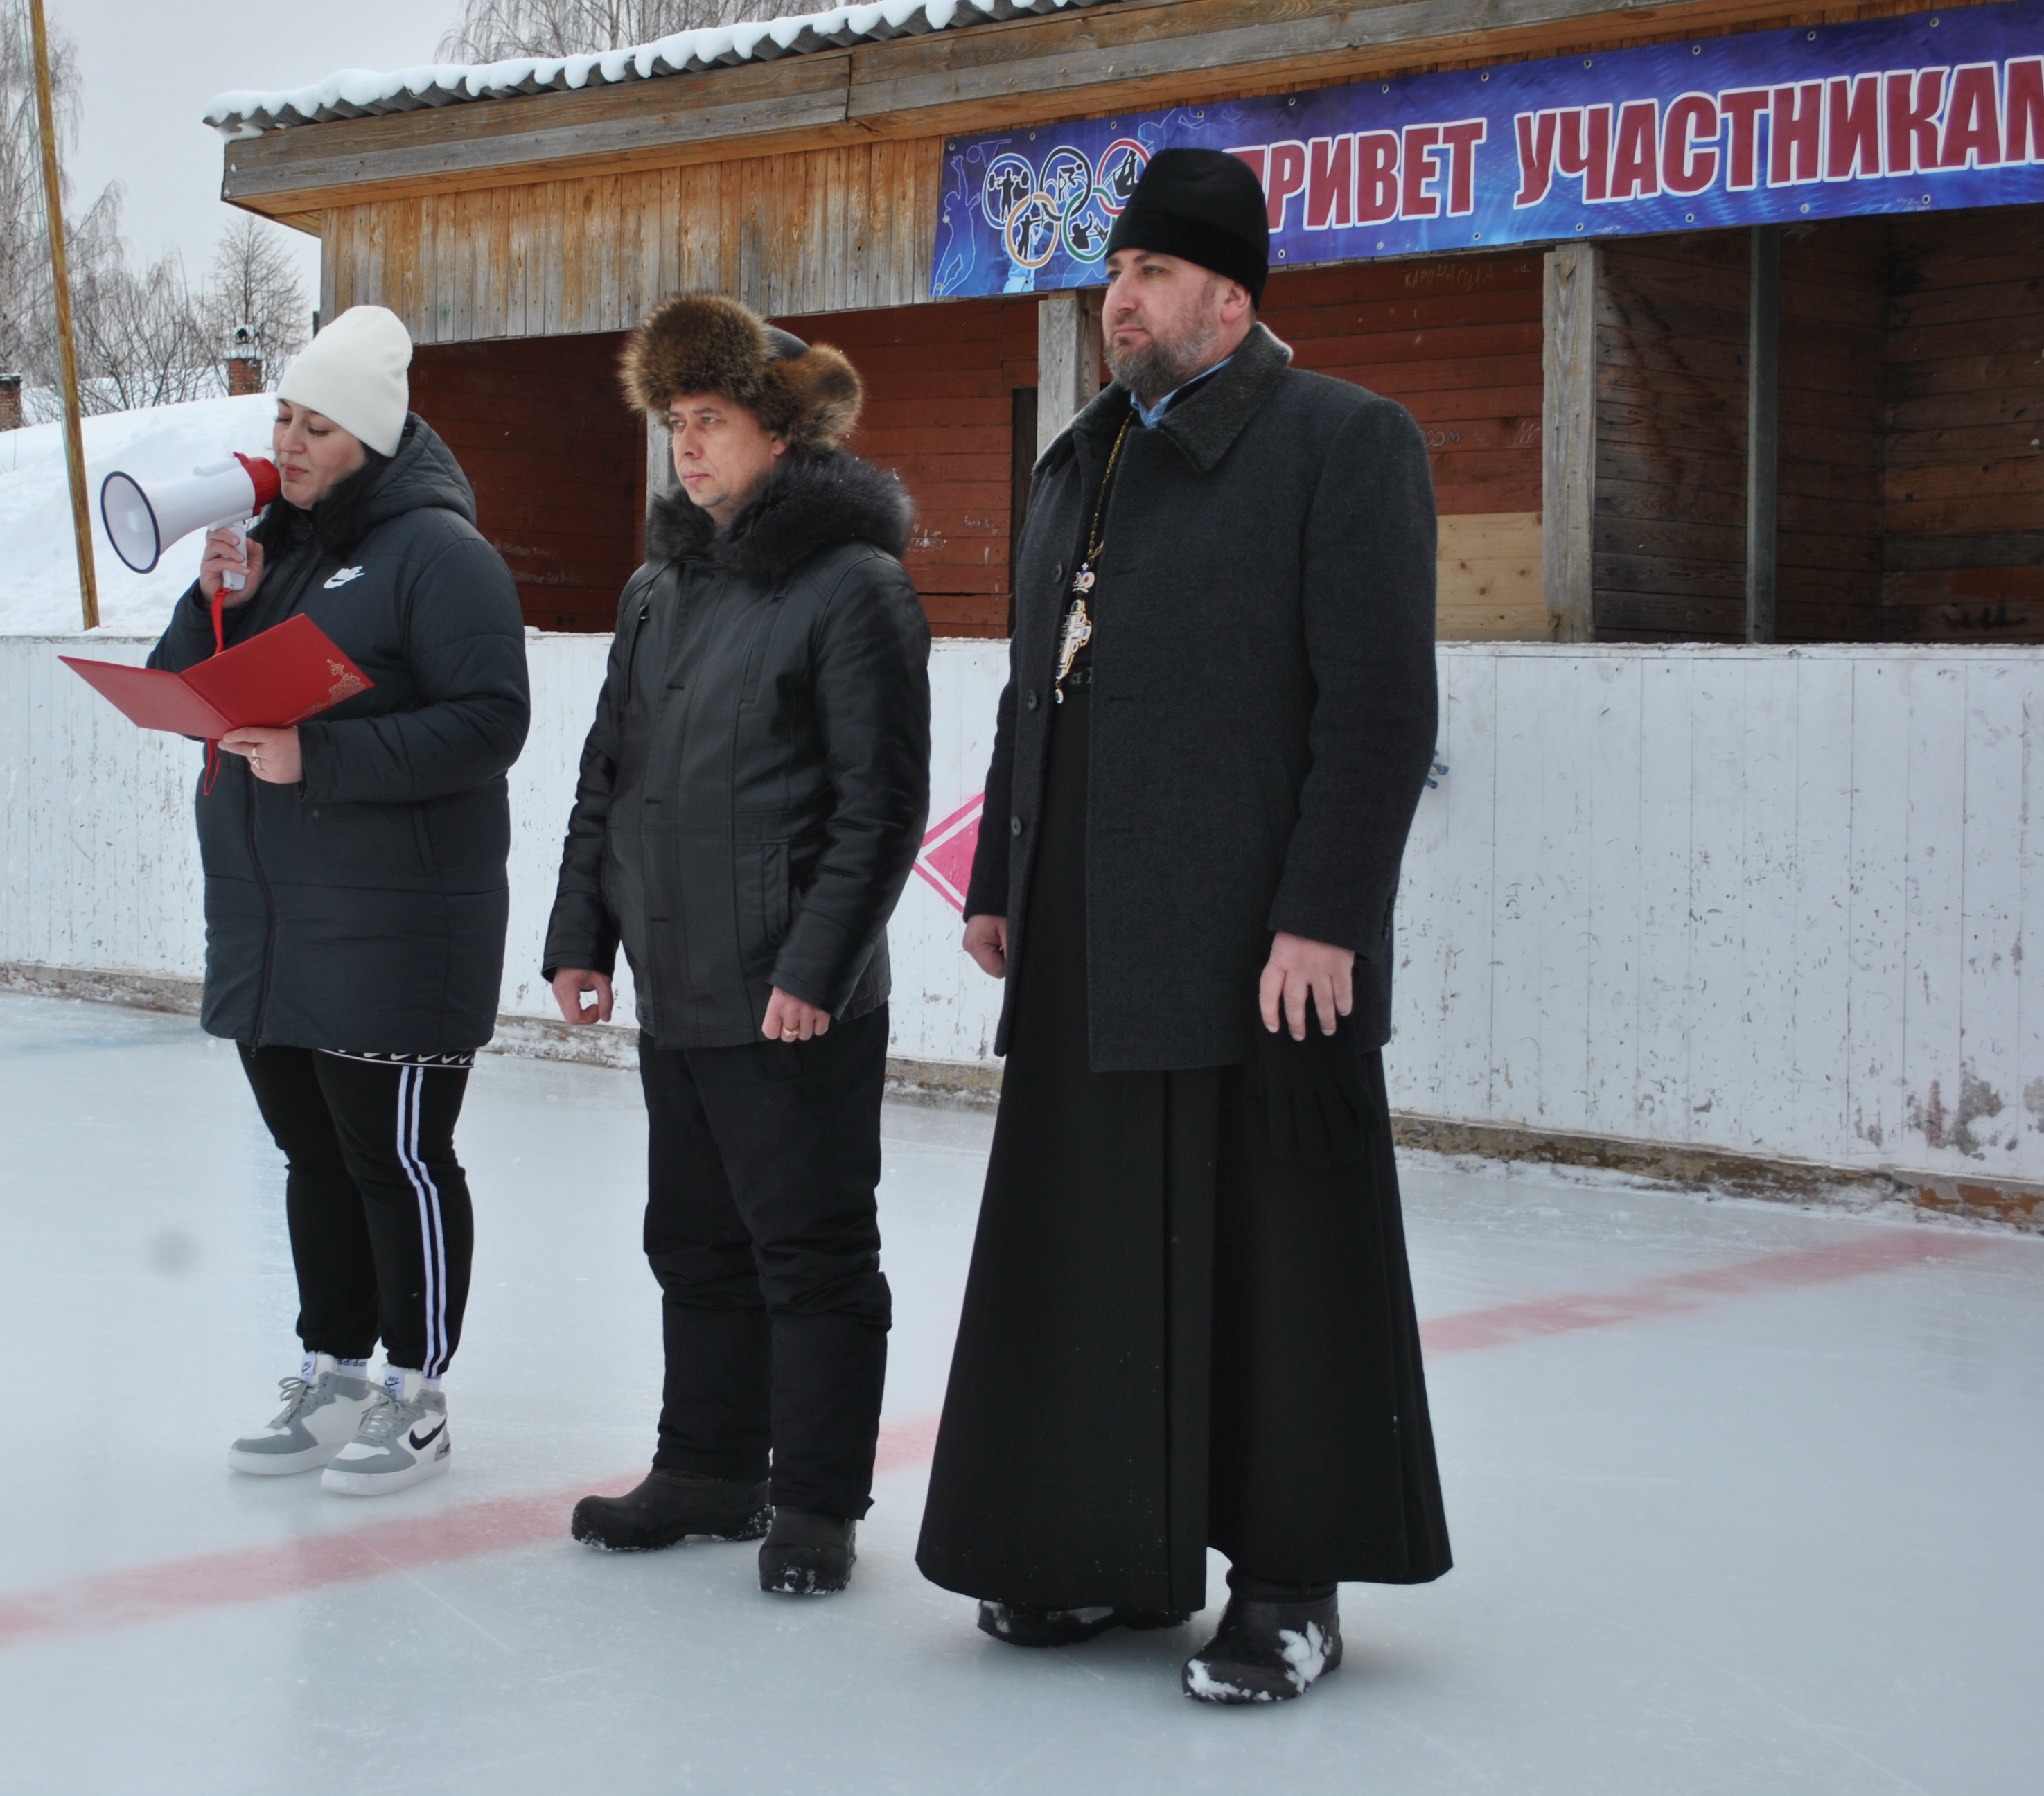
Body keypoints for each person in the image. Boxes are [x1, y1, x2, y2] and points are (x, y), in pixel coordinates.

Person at [913, 148, 1450, 1700]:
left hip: (1263, 955)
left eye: (1149, 273)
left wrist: (1326, 919)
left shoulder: (1341, 443)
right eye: (1113, 273)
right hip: (1086, 941)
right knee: (1087, 1261)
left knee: (1278, 1271)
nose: (1118, 297)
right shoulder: (1081, 457)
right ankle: (1092, 1554)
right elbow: (1039, 685)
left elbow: (1377, 710)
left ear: (1229, 294)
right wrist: (1003, 878)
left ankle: (1288, 1586)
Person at [545, 294, 931, 1596]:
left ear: (781, 431)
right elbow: (610, 773)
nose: (686, 448)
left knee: (812, 1255)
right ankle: (709, 1468)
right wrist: (581, 932)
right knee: (694, 1243)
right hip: (680, 983)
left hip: (792, 998)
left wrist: (813, 974)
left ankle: (816, 1502)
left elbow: (880, 809)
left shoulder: (855, 586)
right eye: (673, 422)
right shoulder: (657, 589)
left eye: (709, 421)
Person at [148, 303, 529, 1497]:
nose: (290, 441)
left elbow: (489, 724)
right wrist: (217, 599)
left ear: (368, 437)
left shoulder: (440, 555)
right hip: (278, 921)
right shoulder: (280, 548)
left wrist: (329, 759)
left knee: (396, 1160)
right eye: (284, 417)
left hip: (399, 928)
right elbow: (184, 692)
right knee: (310, 1155)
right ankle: (334, 1370)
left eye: (317, 424)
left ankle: (417, 1393)